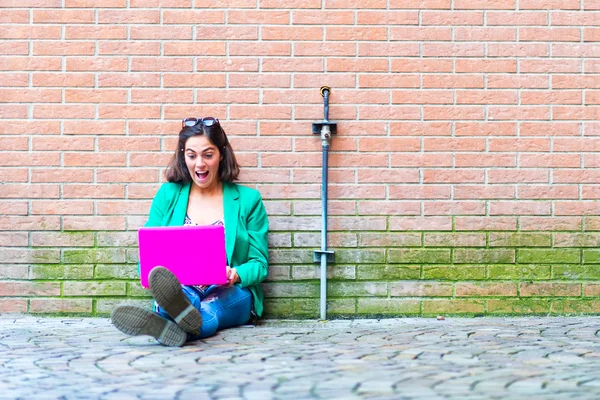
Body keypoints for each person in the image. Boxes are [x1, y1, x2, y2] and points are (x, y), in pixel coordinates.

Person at [111, 117, 269, 347]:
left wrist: (235, 273)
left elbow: (260, 263)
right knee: (184, 300)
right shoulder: (168, 195)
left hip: (231, 290)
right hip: (183, 287)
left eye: (208, 155)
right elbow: (149, 253)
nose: (199, 164)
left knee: (209, 308)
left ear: (222, 154)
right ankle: (172, 316)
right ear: (183, 156)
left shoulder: (248, 200)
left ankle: (161, 321)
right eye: (192, 155)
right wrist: (151, 276)